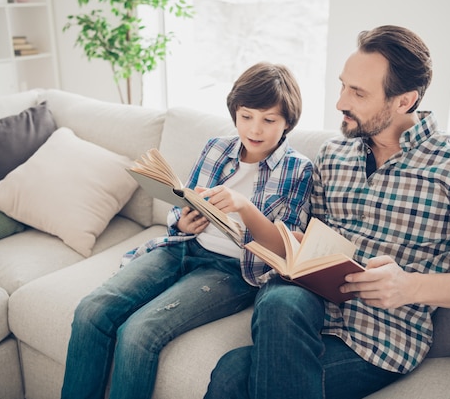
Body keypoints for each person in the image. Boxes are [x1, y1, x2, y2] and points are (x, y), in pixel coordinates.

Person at [205, 25, 450, 399]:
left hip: (379, 339)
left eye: (357, 93)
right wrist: (291, 244)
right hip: (303, 312)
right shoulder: (333, 155)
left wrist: (410, 286)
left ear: (404, 101)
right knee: (279, 298)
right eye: (343, 85)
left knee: (231, 376)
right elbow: (308, 242)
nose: (340, 101)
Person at [60, 61, 314, 399]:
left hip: (230, 270)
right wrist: (181, 220)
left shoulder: (299, 170)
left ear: (288, 123)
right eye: (246, 116)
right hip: (182, 246)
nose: (254, 129)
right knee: (91, 310)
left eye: (269, 120)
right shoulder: (216, 148)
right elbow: (184, 201)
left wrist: (243, 206)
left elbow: (285, 249)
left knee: (138, 332)